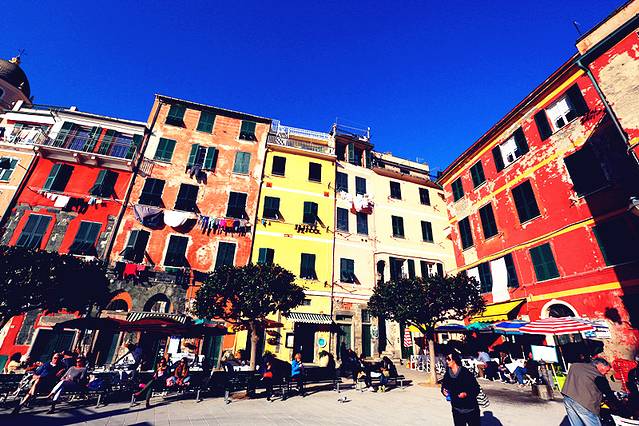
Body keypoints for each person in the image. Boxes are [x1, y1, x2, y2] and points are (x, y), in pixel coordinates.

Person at [562, 357, 620, 425]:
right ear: (600, 365)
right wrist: (619, 406)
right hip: (584, 404)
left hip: (568, 398)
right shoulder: (598, 376)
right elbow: (608, 393)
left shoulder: (575, 366)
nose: (606, 373)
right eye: (606, 370)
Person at [441, 351, 481, 426]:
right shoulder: (447, 374)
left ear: (455, 360)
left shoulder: (465, 372)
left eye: (448, 359)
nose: (447, 361)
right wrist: (444, 391)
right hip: (456, 409)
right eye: (446, 359)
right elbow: (444, 386)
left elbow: (476, 389)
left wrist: (466, 394)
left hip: (471, 409)